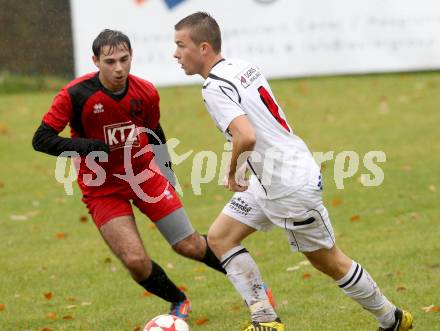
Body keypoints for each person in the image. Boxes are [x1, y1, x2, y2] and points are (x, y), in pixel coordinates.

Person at [173, 12, 414, 331]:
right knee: (220, 237)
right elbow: (257, 128)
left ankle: (391, 318)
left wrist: (231, 172)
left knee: (329, 261)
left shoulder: (214, 87)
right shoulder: (241, 66)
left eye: (180, 45)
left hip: (287, 186)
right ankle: (265, 319)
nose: (176, 54)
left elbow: (246, 135)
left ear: (204, 47)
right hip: (271, 180)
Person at [32, 29, 232, 320]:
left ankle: (251, 284)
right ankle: (178, 300)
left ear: (131, 57)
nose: (119, 69)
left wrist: (166, 171)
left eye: (124, 60)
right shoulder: (74, 94)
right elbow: (42, 139)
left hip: (144, 176)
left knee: (189, 245)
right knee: (135, 261)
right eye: (110, 61)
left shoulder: (146, 91)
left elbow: (155, 132)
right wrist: (84, 147)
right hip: (102, 188)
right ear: (95, 61)